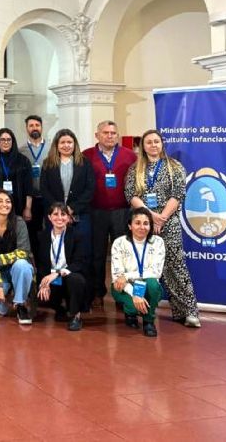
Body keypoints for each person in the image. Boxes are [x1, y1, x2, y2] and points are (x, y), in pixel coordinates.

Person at [125, 129, 200, 328]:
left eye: (156, 142)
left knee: (176, 266)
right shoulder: (135, 169)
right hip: (143, 224)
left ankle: (188, 311)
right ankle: (139, 310)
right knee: (144, 267)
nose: (153, 145)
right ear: (143, 146)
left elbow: (178, 195)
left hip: (169, 222)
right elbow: (131, 195)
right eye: (149, 142)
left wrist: (162, 218)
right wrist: (150, 218)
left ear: (162, 144)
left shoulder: (175, 167)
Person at [82, 120, 137, 309]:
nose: (110, 136)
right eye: (105, 132)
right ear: (97, 135)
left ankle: (122, 294)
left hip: (122, 212)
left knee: (122, 254)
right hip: (96, 212)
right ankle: (98, 292)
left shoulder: (130, 156)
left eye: (113, 133)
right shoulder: (86, 155)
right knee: (97, 254)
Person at [39, 128, 95, 305]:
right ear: (57, 145)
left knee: (81, 254)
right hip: (56, 217)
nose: (66, 145)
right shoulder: (48, 164)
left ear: (75, 144)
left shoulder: (84, 163)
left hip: (79, 215)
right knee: (55, 253)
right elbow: (44, 190)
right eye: (62, 142)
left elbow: (90, 189)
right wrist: (59, 212)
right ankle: (56, 294)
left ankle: (82, 297)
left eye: (69, 142)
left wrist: (71, 210)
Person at [0, 190, 35, 324]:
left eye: (8, 201)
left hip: (16, 267)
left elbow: (24, 252)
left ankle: (20, 305)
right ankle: (0, 302)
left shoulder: (19, 223)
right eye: (0, 201)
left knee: (23, 265)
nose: (4, 204)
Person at [111, 207, 165, 337]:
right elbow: (118, 277)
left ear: (150, 226)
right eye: (137, 223)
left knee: (153, 284)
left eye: (146, 223)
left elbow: (155, 272)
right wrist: (135, 294)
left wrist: (128, 275)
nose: (142, 227)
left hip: (146, 284)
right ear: (130, 226)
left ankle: (149, 322)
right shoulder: (119, 243)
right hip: (124, 286)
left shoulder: (158, 242)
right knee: (132, 303)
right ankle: (130, 313)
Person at [35, 203, 87, 331]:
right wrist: (44, 283)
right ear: (49, 217)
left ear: (69, 218)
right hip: (51, 278)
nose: (59, 218)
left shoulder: (77, 236)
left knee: (76, 279)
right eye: (55, 214)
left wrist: (57, 273)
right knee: (41, 288)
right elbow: (41, 264)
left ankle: (76, 316)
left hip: (68, 276)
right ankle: (59, 309)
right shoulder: (42, 236)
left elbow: (79, 263)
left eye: (63, 214)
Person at [0, 128, 34, 224]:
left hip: (19, 205)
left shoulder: (23, 160)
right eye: (2, 139)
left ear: (13, 142)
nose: (6, 142)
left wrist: (28, 208)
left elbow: (29, 187)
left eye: (8, 139)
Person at [20, 115, 49, 256]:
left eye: (37, 125)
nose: (34, 128)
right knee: (33, 232)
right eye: (31, 125)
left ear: (42, 127)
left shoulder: (51, 147)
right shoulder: (21, 150)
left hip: (48, 195)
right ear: (26, 128)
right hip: (31, 198)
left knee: (49, 230)